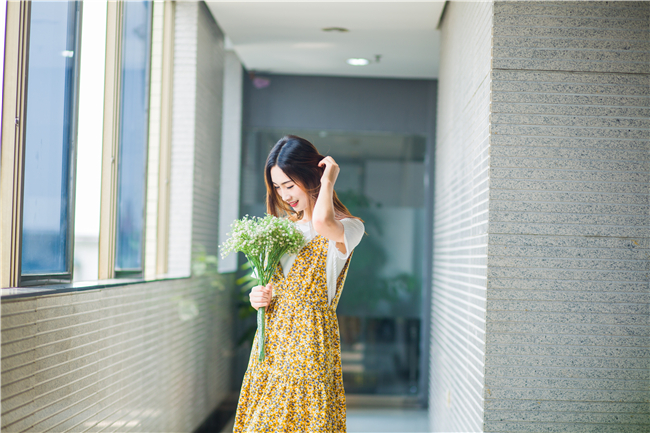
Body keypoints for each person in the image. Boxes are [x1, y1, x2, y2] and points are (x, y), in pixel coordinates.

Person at [233, 135, 364, 433]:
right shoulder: (282, 228)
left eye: (289, 185)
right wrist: (259, 295)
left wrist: (328, 180)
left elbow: (322, 224)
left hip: (310, 343)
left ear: (311, 175)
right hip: (273, 341)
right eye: (277, 187)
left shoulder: (349, 227)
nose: (284, 195)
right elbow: (270, 285)